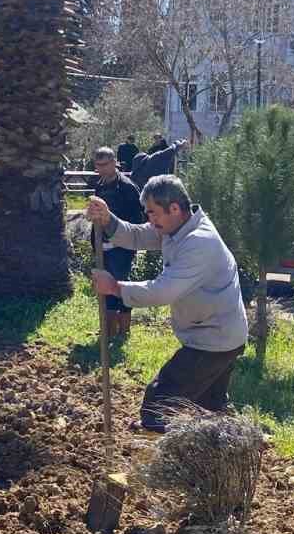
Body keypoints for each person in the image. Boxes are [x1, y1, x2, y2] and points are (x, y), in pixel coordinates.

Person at [87, 174, 249, 432]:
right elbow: (139, 236)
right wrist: (108, 220)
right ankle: (216, 458)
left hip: (213, 340)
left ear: (174, 208)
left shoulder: (198, 241)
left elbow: (163, 291)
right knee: (210, 409)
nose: (150, 219)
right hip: (221, 335)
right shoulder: (176, 227)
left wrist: (115, 287)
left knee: (158, 402)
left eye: (153, 213)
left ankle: (155, 455)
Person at [89, 146, 146, 337]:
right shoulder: (100, 185)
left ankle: (122, 330)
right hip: (102, 245)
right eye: (97, 165)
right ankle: (109, 330)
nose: (101, 169)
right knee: (106, 287)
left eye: (104, 164)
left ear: (114, 163)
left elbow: (138, 221)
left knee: (119, 286)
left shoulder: (128, 188)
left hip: (122, 247)